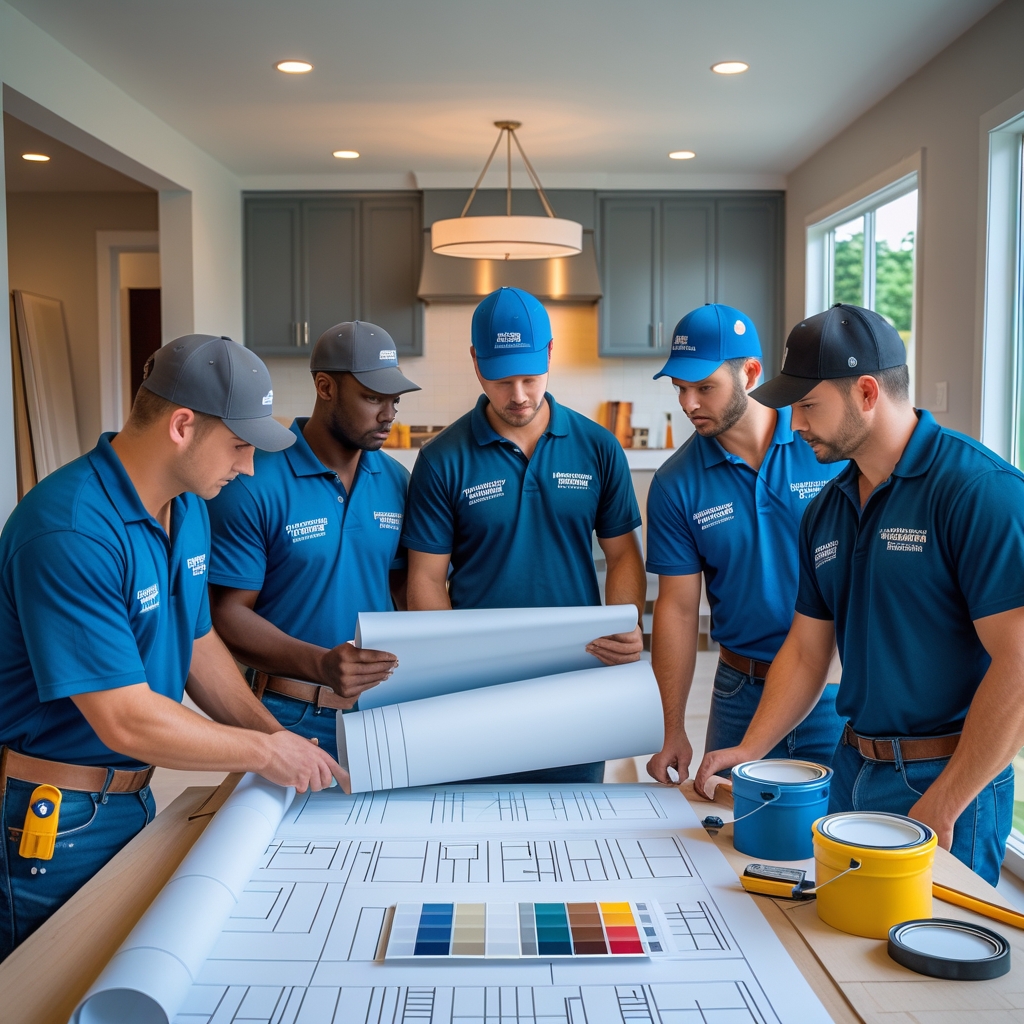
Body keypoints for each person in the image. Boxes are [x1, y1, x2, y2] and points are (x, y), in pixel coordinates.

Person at [0, 335, 346, 960]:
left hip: (130, 798)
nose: (248, 467)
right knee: (49, 990)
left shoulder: (187, 508)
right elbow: (125, 719)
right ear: (183, 426)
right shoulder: (72, 529)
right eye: (239, 445)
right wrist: (264, 752)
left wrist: (277, 738)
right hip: (52, 819)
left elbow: (197, 641)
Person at [695, 303, 1024, 884]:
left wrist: (947, 801)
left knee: (928, 940)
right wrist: (751, 748)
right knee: (841, 928)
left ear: (867, 392)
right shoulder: (827, 510)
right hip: (851, 769)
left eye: (808, 404)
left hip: (946, 778)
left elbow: (1019, 661)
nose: (795, 424)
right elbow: (807, 650)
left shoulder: (978, 491)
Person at [402, 286, 647, 783]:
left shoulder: (598, 447)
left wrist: (625, 623)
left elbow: (624, 555)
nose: (518, 396)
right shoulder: (442, 459)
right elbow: (425, 579)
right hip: (479, 682)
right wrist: (450, 667)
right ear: (476, 363)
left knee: (576, 811)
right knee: (478, 815)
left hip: (577, 677)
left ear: (550, 354)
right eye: (502, 380)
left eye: (530, 379)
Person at [644, 304, 846, 787]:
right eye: (680, 388)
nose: (689, 403)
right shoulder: (674, 483)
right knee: (733, 829)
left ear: (751, 373)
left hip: (836, 690)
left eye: (704, 387)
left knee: (837, 827)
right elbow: (677, 609)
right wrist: (671, 727)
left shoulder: (826, 448)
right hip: (741, 692)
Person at [206, 322, 421, 758]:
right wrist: (321, 664)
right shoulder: (252, 480)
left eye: (394, 400)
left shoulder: (397, 481)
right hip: (288, 712)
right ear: (325, 387)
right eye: (373, 397)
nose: (388, 414)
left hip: (385, 712)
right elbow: (226, 614)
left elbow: (405, 591)